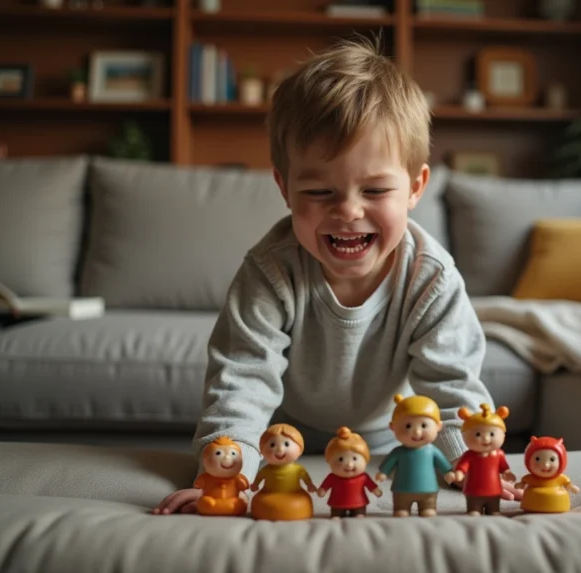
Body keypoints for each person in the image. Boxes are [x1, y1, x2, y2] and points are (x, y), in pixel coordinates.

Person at [153, 36, 513, 515]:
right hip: (284, 440)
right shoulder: (270, 271)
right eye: (320, 191)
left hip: (392, 440)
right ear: (284, 187)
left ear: (415, 187)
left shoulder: (431, 278)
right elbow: (242, 378)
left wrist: (474, 465)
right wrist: (226, 474)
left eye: (375, 190)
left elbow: (451, 388)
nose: (348, 211)